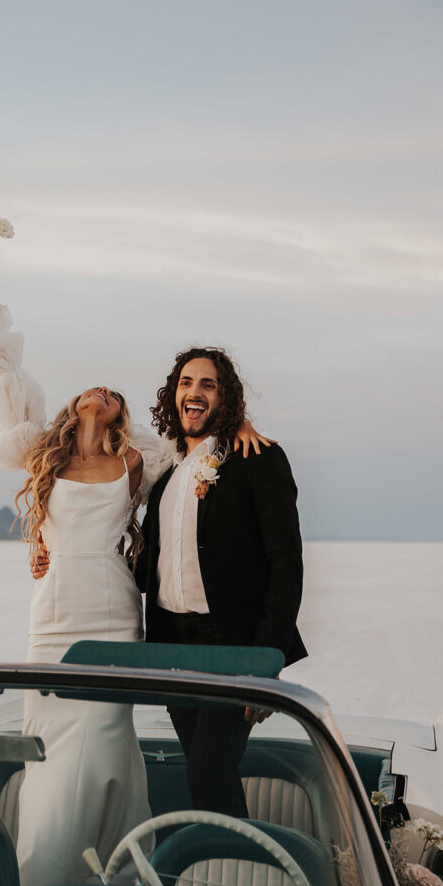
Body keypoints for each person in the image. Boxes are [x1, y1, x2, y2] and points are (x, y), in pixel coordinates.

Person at [0, 303, 267, 886]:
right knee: (49, 749)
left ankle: (115, 874)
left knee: (104, 746)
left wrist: (238, 427)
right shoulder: (42, 453)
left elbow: (199, 447)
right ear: (73, 407)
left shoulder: (136, 461)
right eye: (92, 389)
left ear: (120, 414)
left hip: (115, 614)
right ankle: (46, 872)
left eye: (113, 393)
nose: (101, 392)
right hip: (54, 613)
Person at [136, 346, 307, 819]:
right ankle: (230, 870)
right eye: (186, 382)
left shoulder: (258, 458)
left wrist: (264, 661)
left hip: (231, 644)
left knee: (208, 772)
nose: (194, 392)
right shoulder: (165, 471)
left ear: (225, 397)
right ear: (174, 394)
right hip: (171, 644)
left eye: (207, 384)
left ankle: (237, 875)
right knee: (203, 769)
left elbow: (285, 564)